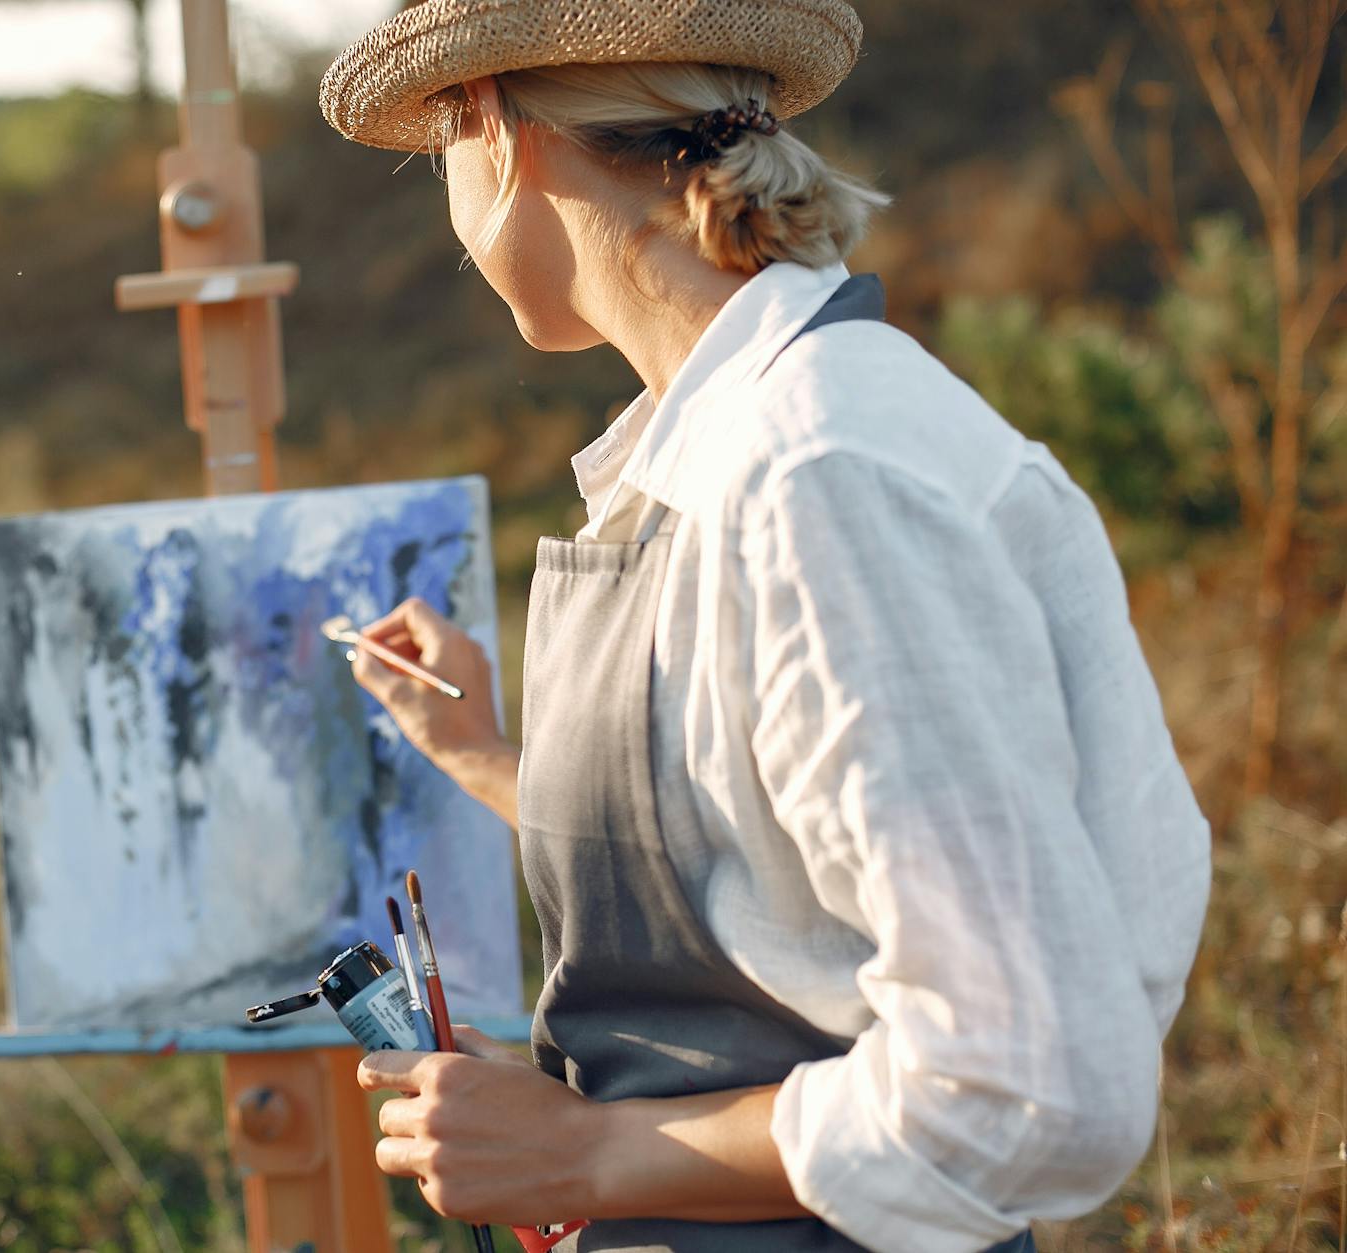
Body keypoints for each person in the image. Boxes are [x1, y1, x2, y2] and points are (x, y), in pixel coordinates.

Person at [315, 3, 1214, 1252]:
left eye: (440, 152)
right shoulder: (744, 444)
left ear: (498, 133)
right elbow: (794, 877)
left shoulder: (815, 482)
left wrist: (589, 1149)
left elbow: (1030, 1085)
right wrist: (481, 758)